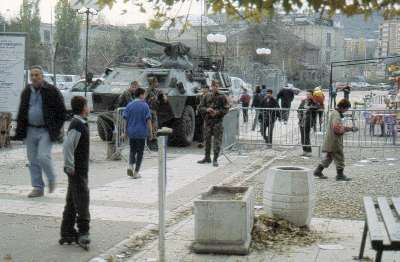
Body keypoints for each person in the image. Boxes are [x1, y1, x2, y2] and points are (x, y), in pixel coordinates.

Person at [13, 66, 67, 198]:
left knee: (43, 156)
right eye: (32, 75)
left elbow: (61, 111)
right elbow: (22, 111)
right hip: (30, 130)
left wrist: (57, 128)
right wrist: (19, 130)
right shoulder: (27, 91)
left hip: (45, 130)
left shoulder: (51, 90)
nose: (34, 77)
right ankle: (37, 188)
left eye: (37, 75)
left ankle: (51, 178)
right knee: (32, 160)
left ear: (42, 76)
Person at [60, 96, 91, 248]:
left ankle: (67, 232)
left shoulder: (80, 123)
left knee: (72, 201)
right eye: (87, 104)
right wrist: (69, 165)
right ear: (84, 107)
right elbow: (67, 146)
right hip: (76, 170)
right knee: (83, 199)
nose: (89, 107)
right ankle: (84, 232)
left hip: (79, 169)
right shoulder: (77, 124)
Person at [313, 99, 358, 181]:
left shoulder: (334, 112)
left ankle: (318, 171)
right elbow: (337, 129)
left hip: (331, 139)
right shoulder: (337, 115)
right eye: (346, 108)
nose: (346, 111)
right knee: (339, 156)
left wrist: (347, 128)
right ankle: (340, 175)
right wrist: (350, 129)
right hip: (335, 141)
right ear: (343, 107)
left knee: (329, 157)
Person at [198, 80, 230, 167]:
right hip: (208, 121)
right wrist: (207, 109)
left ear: (218, 86)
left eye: (216, 86)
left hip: (217, 121)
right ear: (211, 87)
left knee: (217, 141)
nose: (215, 87)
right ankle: (207, 157)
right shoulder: (207, 96)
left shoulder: (222, 97)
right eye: (213, 86)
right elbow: (200, 107)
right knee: (207, 140)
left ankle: (215, 159)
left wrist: (217, 112)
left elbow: (226, 109)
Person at [123, 88, 153, 178]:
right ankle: (136, 172)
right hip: (141, 132)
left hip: (131, 131)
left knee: (132, 150)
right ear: (140, 95)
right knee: (140, 152)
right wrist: (150, 132)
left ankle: (130, 165)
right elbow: (148, 120)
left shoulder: (129, 105)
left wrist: (125, 131)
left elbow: (125, 119)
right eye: (144, 95)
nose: (145, 97)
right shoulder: (145, 106)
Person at [145, 77, 166, 150]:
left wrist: (164, 95)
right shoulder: (147, 91)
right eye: (156, 82)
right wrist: (150, 99)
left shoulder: (156, 90)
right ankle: (150, 144)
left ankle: (154, 143)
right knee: (150, 128)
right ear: (152, 83)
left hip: (154, 111)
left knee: (155, 127)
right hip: (149, 111)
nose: (157, 84)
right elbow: (143, 99)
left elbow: (161, 92)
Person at [298, 90, 320, 157]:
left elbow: (317, 106)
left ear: (312, 95)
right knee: (302, 137)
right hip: (301, 120)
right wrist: (299, 113)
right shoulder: (303, 101)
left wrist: (309, 107)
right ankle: (304, 151)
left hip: (308, 121)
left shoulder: (313, 101)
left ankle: (309, 151)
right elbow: (299, 108)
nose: (308, 95)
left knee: (306, 136)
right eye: (307, 94)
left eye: (309, 94)